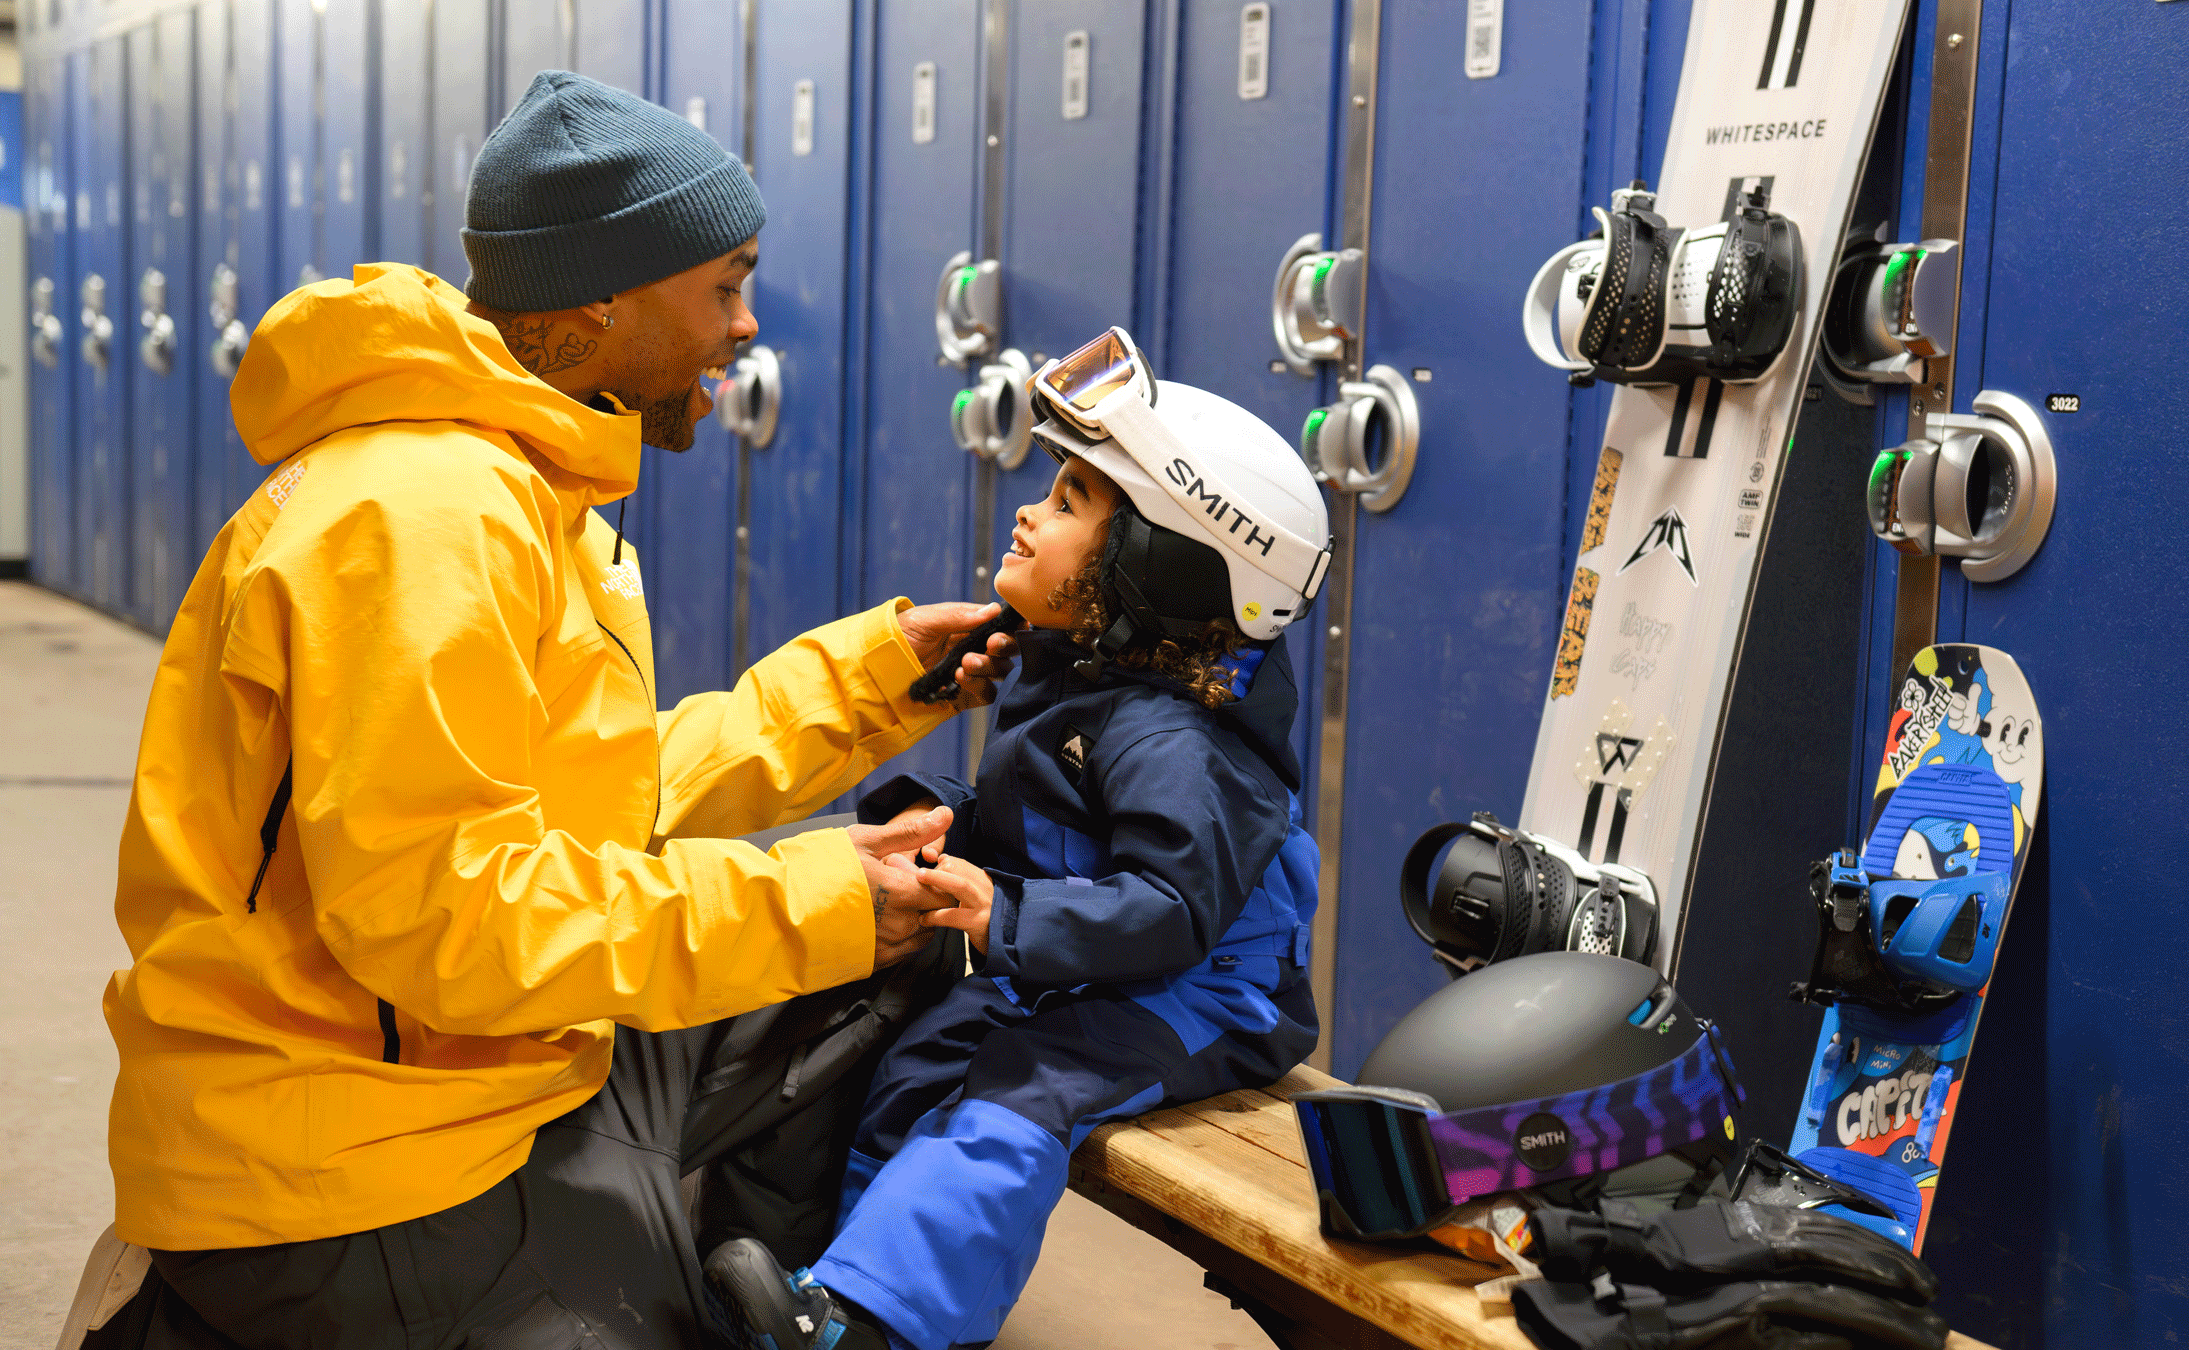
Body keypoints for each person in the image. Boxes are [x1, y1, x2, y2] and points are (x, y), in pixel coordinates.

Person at [92, 71, 1014, 1349]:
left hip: (441, 1069)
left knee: (861, 962)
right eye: (725, 286)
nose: (745, 328)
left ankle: (746, 1282)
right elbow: (451, 916)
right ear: (600, 299)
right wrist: (811, 898)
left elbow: (601, 795)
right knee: (818, 934)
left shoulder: (503, 481)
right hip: (341, 1163)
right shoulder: (425, 519)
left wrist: (869, 678)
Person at [703, 328, 1336, 1350]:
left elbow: (1173, 910)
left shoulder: (1178, 740)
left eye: (1072, 505)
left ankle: (877, 1324)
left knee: (1017, 1095)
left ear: (1156, 568)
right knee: (919, 1061)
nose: (1030, 515)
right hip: (1080, 953)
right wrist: (939, 819)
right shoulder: (1081, 676)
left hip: (1201, 991)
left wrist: (1009, 912)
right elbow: (1046, 822)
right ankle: (840, 1287)